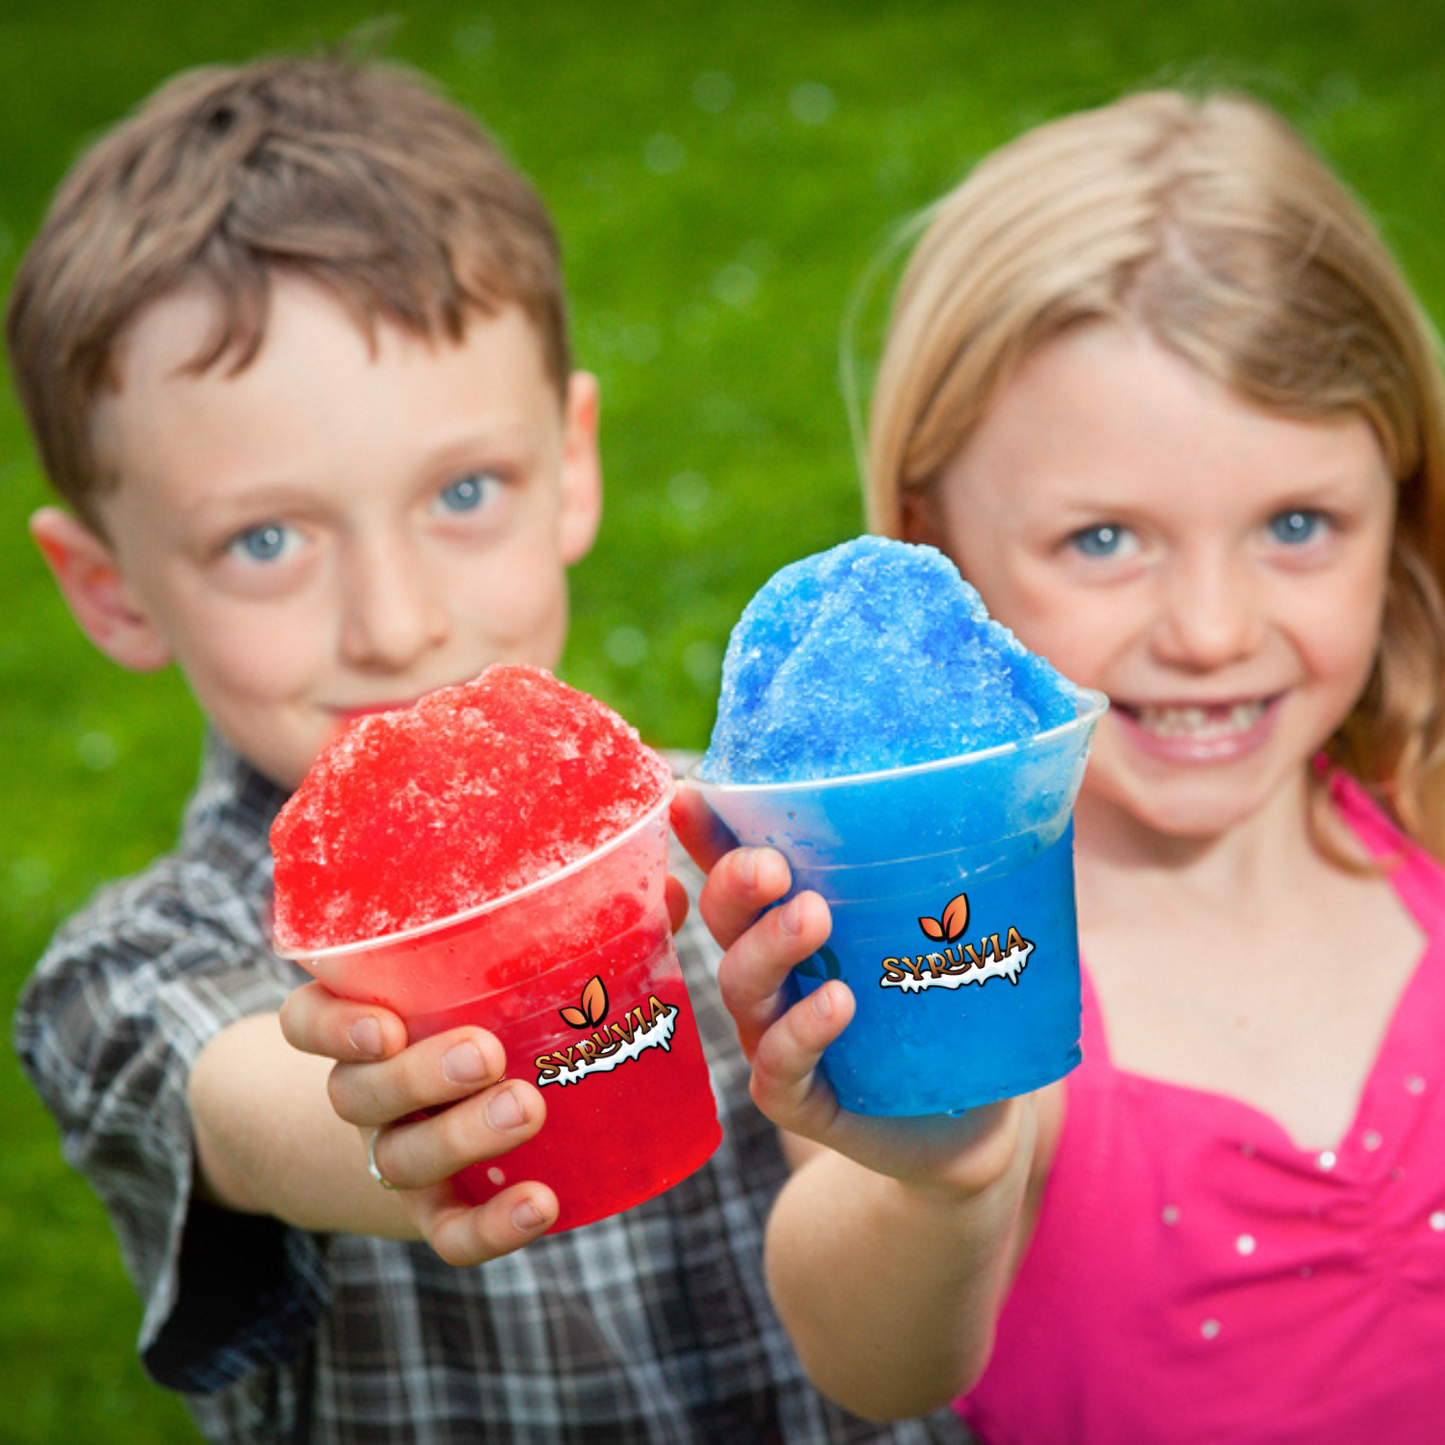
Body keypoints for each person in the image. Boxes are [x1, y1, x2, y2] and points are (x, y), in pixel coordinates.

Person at [8, 53, 967, 1444]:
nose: (399, 625)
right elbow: (242, 1095)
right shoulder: (127, 970)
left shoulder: (748, 837)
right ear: (109, 589)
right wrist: (388, 1106)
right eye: (265, 540)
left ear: (571, 464)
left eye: (464, 491)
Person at [671, 88, 1445, 1442]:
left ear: (1403, 505)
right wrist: (949, 1181)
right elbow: (874, 1361)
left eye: (1300, 523)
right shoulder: (937, 932)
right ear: (933, 551)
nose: (1211, 631)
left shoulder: (1425, 820)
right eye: (1104, 540)